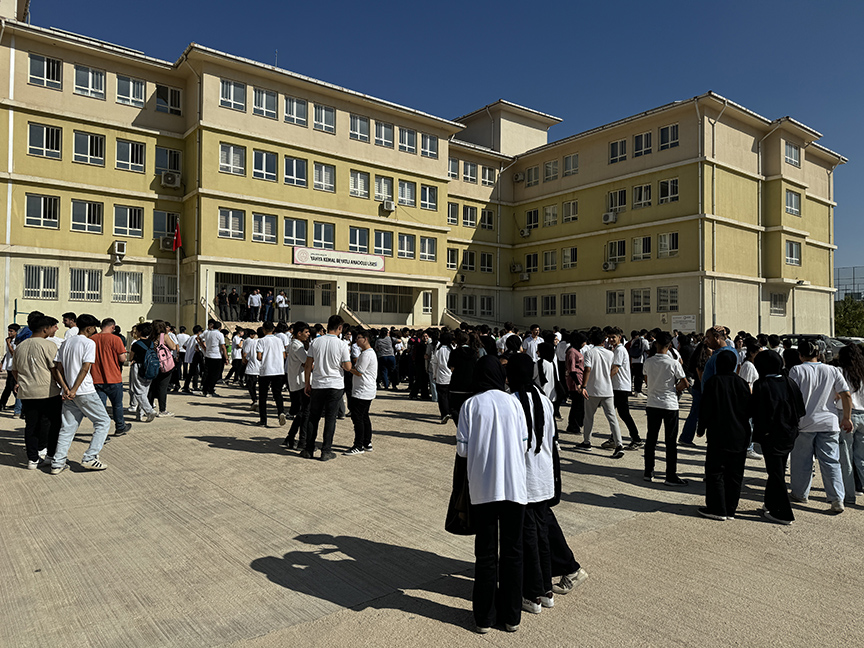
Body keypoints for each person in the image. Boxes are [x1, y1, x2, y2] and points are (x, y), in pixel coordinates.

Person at [456, 356, 528, 634]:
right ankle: (512, 616)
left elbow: (462, 450)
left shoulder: (471, 405)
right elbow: (523, 444)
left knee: (485, 554)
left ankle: (484, 617)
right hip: (514, 488)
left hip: (483, 489)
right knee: (513, 552)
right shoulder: (514, 403)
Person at [506, 354, 555, 616]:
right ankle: (546, 588)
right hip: (543, 476)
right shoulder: (545, 400)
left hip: (523, 478)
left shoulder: (513, 402)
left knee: (526, 537)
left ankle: (532, 592)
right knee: (542, 533)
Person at [788, 340, 853, 514]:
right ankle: (837, 498)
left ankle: (800, 493)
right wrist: (847, 418)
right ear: (818, 353)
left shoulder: (796, 370)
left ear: (800, 355)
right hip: (829, 422)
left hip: (804, 422)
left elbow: (792, 395)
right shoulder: (832, 370)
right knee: (831, 461)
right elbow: (846, 395)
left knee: (802, 461)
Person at [749, 350, 806, 524]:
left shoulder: (762, 384)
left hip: (770, 435)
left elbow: (754, 411)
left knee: (775, 473)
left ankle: (782, 512)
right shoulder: (789, 382)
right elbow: (801, 409)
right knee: (777, 470)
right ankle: (770, 502)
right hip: (789, 433)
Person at [51, 314, 111, 474]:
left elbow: (57, 367)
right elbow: (85, 368)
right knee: (103, 422)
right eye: (94, 328)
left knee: (67, 427)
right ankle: (90, 457)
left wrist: (66, 388)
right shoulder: (88, 343)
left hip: (70, 392)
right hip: (84, 390)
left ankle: (57, 463)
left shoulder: (66, 342)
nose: (95, 331)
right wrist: (74, 389)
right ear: (89, 327)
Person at [696, 350, 752, 520]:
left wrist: (701, 428)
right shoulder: (742, 383)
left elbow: (705, 408)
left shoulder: (713, 382)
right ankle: (731, 508)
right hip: (739, 434)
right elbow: (749, 409)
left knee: (715, 472)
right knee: (735, 474)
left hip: (718, 433)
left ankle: (717, 508)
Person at [11, 316, 64, 469]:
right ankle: (50, 455)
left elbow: (15, 371)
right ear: (45, 329)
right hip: (48, 392)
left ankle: (32, 459)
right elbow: (55, 369)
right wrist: (64, 387)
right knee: (54, 424)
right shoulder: (49, 345)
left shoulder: (20, 346)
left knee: (31, 425)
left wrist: (21, 382)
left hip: (27, 392)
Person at [642, 331, 689, 486]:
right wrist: (675, 389)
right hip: (669, 404)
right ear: (670, 346)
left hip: (653, 403)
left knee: (651, 439)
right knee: (670, 441)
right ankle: (670, 475)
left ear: (656, 344)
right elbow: (684, 383)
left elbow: (647, 379)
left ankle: (648, 471)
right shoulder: (673, 362)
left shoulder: (648, 362)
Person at [302, 315, 351, 461]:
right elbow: (348, 367)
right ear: (340, 328)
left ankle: (309, 449)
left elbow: (308, 365)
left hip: (318, 384)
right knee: (330, 418)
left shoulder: (316, 342)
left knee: (313, 417)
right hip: (335, 385)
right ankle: (326, 450)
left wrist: (307, 384)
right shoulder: (342, 344)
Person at [578, 330, 624, 459]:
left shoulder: (589, 352)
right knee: (612, 418)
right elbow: (612, 369)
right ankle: (619, 444)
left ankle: (587, 441)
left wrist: (583, 386)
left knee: (589, 417)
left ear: (591, 341)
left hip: (593, 389)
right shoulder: (610, 353)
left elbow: (587, 369)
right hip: (607, 389)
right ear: (604, 341)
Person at [91, 318, 131, 436]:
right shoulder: (116, 339)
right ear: (113, 327)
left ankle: (101, 432)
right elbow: (122, 359)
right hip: (113, 377)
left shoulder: (92, 339)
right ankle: (120, 427)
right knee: (117, 405)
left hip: (96, 378)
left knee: (100, 407)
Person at [835, 344, 864, 507]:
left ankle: (849, 495)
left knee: (845, 457)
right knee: (862, 458)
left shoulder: (840, 372)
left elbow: (838, 395)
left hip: (846, 415)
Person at [344, 328, 378, 455]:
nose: (356, 340)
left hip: (363, 390)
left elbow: (359, 372)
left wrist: (347, 368)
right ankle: (366, 442)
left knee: (357, 417)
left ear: (366, 339)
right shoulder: (367, 353)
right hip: (365, 389)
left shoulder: (367, 354)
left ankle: (358, 445)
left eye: (358, 338)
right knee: (364, 416)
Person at [610, 328, 642, 449]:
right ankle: (614, 438)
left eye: (613, 337)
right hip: (617, 386)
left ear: (619, 337)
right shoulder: (616, 349)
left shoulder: (619, 350)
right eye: (609, 337)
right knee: (612, 413)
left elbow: (615, 369)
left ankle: (636, 439)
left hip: (620, 387)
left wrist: (605, 380)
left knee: (623, 414)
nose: (611, 339)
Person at [283, 321, 310, 449]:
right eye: (306, 332)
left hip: (297, 382)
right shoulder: (297, 346)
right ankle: (302, 441)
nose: (308, 334)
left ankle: (290, 437)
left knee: (301, 413)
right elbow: (307, 363)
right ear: (299, 333)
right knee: (305, 413)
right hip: (300, 383)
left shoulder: (295, 344)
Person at [256, 321, 288, 427]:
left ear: (263, 329)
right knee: (277, 394)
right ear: (273, 329)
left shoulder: (261, 341)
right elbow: (284, 355)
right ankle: (281, 412)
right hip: (278, 370)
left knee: (263, 396)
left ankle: (263, 420)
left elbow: (259, 357)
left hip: (266, 370)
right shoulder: (279, 340)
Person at [128, 323, 158, 423]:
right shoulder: (152, 343)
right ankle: (139, 414)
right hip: (150, 368)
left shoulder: (136, 344)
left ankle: (149, 411)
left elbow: (130, 358)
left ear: (139, 332)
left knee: (138, 391)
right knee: (144, 391)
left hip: (139, 367)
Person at [148, 320, 177, 417]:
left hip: (153, 365)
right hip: (164, 365)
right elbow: (173, 347)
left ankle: (149, 408)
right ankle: (162, 410)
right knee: (162, 387)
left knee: (152, 387)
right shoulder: (164, 336)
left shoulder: (150, 337)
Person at [564, 332, 586, 435]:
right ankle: (573, 425)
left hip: (580, 379)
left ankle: (576, 424)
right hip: (575, 381)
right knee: (577, 404)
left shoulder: (576, 350)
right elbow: (572, 369)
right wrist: (577, 383)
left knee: (579, 404)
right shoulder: (572, 352)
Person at [199, 320, 227, 397]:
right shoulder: (220, 334)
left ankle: (205, 389)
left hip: (208, 355)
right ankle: (210, 390)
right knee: (215, 374)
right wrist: (226, 358)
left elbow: (198, 338)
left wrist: (203, 347)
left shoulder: (207, 332)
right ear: (220, 328)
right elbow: (223, 347)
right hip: (216, 356)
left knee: (207, 373)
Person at [431, 330, 453, 424]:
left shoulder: (439, 349)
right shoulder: (452, 349)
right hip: (451, 376)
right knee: (449, 395)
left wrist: (434, 375)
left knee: (442, 396)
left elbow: (434, 363)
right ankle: (451, 411)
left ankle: (444, 413)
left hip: (441, 376)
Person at [1, 323, 21, 415]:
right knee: (8, 386)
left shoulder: (16, 341)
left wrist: (9, 344)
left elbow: (14, 354)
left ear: (16, 332)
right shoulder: (9, 340)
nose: (9, 333)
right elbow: (7, 353)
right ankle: (2, 404)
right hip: (9, 366)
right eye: (8, 331)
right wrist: (2, 362)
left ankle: (19, 406)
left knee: (12, 386)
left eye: (11, 331)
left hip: (14, 367)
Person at [242, 328, 261, 410]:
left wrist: (244, 361)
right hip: (264, 368)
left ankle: (254, 400)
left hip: (252, 366)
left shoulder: (251, 341)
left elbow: (245, 353)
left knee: (251, 385)